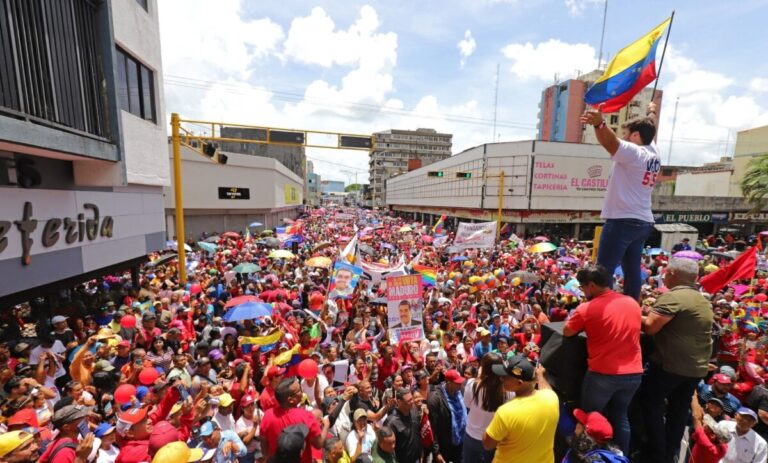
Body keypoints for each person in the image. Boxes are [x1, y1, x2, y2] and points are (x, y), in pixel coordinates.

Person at [580, 102, 660, 301]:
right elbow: (652, 126)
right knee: (632, 271)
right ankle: (632, 307)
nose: (624, 138)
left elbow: (610, 143)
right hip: (643, 222)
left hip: (622, 220)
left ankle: (599, 312)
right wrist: (652, 111)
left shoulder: (635, 153)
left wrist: (599, 124)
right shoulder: (654, 152)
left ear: (635, 136)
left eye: (626, 134)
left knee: (602, 272)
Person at [638, 258, 714, 462]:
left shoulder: (673, 297)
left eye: (666, 273)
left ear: (672, 274)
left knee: (650, 402)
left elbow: (651, 327)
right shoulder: (702, 300)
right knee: (678, 410)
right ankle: (669, 452)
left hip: (670, 366)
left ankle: (656, 451)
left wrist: (632, 311)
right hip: (694, 369)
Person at [563, 264, 643, 454]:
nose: (583, 291)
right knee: (621, 416)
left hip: (603, 374)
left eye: (582, 288)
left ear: (590, 285)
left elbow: (567, 331)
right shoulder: (632, 302)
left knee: (591, 419)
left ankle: (588, 456)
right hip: (634, 373)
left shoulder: (586, 308)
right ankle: (620, 456)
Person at [482, 355, 559, 461]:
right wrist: (540, 375)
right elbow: (546, 388)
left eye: (505, 377)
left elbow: (487, 444)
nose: (501, 378)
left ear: (519, 383)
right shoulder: (552, 398)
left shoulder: (506, 412)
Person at [260, 377, 329, 463]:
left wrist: (267, 458)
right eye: (299, 390)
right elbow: (318, 444)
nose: (302, 391)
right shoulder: (306, 416)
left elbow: (263, 441)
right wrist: (326, 425)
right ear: (290, 400)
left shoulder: (267, 416)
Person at [463, 353, 511, 463]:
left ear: (483, 368)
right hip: (493, 438)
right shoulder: (508, 391)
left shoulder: (471, 384)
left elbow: (467, 404)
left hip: (472, 435)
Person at [385, 388, 442, 463]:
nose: (412, 402)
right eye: (409, 401)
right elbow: (387, 448)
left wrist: (421, 453)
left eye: (412, 399)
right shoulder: (391, 422)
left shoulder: (415, 413)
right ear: (399, 402)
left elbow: (418, 433)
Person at [426, 369, 467, 463]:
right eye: (457, 383)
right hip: (445, 445)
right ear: (448, 382)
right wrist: (436, 452)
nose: (460, 385)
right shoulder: (435, 399)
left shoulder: (460, 391)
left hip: (460, 441)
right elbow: (433, 427)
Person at [562, 409, 628, 463]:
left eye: (580, 423)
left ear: (586, 435)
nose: (577, 424)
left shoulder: (591, 459)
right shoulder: (611, 452)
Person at [689, 395, 730, 463]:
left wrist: (693, 393)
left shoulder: (708, 447)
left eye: (711, 429)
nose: (707, 425)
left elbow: (696, 417)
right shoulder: (723, 447)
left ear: (713, 436)